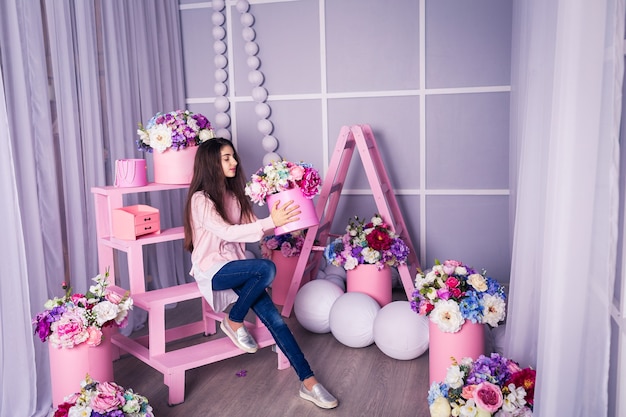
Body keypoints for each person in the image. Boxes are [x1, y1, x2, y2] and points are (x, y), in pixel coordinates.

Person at [183, 138, 339, 409]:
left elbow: (255, 226)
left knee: (277, 322)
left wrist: (287, 212)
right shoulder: (200, 200)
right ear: (211, 164)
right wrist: (271, 222)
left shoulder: (232, 196)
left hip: (239, 267)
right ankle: (234, 320)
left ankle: (309, 382)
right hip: (212, 270)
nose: (234, 162)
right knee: (266, 268)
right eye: (226, 158)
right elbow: (227, 232)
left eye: (233, 156)